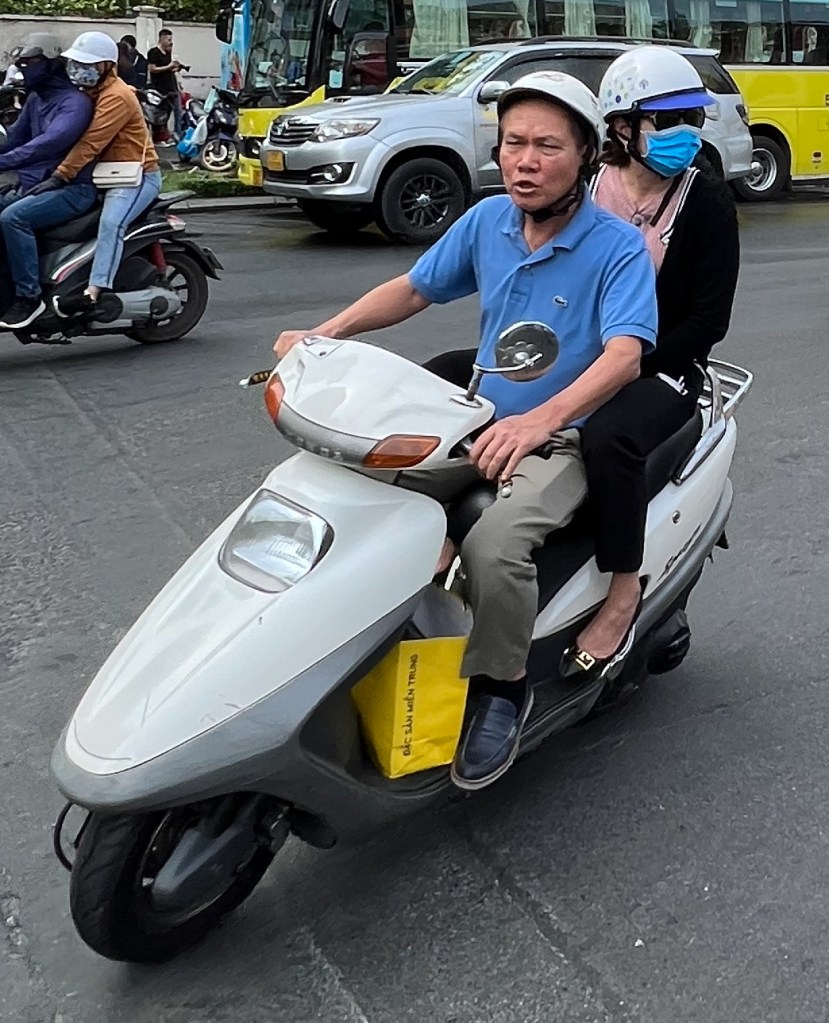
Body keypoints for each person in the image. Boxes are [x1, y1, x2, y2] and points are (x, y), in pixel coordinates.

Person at [273, 71, 658, 790]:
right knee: (358, 493)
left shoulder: (617, 247)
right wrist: (324, 334)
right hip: (474, 419)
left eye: (547, 146)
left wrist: (541, 420)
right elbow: (414, 288)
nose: (525, 161)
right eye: (513, 143)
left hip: (559, 437)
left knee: (495, 544)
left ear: (586, 154)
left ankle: (502, 688)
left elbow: (625, 355)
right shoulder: (487, 222)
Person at [560, 47, 740, 683]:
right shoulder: (587, 189)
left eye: (694, 118)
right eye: (668, 120)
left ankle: (622, 592)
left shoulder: (706, 200)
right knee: (461, 382)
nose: (685, 133)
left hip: (666, 368)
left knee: (607, 438)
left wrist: (628, 360)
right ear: (621, 126)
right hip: (576, 354)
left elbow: (707, 323)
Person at [39, 31, 162, 316]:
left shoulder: (117, 96)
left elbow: (91, 143)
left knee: (111, 224)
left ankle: (94, 290)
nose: (79, 70)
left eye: (88, 65)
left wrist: (61, 175)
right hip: (105, 175)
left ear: (106, 66)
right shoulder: (90, 93)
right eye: (77, 64)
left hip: (136, 177)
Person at [0, 33, 95, 329]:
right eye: (20, 63)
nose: (22, 69)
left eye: (28, 63)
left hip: (72, 188)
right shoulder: (35, 100)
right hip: (33, 186)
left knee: (13, 218)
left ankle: (29, 298)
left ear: (52, 63)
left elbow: (46, 144)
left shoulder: (75, 103)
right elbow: (14, 138)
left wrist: (3, 162)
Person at [147, 28, 184, 137]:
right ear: (162, 39)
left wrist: (174, 68)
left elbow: (168, 69)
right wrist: (168, 66)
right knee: (163, 113)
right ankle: (162, 134)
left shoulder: (168, 52)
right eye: (168, 40)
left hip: (172, 86)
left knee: (178, 111)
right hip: (161, 88)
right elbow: (152, 69)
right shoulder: (153, 52)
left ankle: (178, 133)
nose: (170, 42)